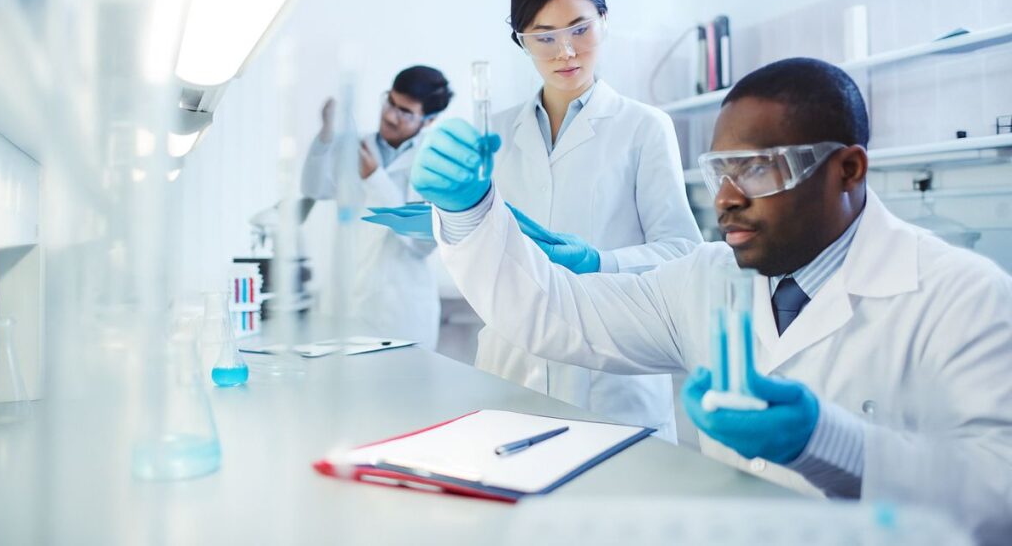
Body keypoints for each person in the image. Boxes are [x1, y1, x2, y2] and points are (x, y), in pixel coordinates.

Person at [411, 57, 1012, 544]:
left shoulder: (962, 295)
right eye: (719, 171)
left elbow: (1001, 496)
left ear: (848, 170)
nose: (725, 198)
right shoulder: (704, 279)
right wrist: (469, 212)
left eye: (756, 169)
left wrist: (828, 442)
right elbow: (556, 314)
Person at [477, 0, 701, 439]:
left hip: (614, 378)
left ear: (604, 20)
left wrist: (601, 262)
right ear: (521, 41)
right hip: (511, 369)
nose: (566, 52)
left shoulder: (644, 127)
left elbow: (684, 252)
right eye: (544, 37)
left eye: (580, 29)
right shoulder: (493, 135)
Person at [301, 65, 453, 349]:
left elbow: (421, 245)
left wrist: (375, 178)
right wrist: (325, 136)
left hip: (402, 311)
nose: (390, 116)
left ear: (429, 120)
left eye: (405, 112)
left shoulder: (436, 164)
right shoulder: (356, 147)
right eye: (390, 102)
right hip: (346, 303)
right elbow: (314, 189)